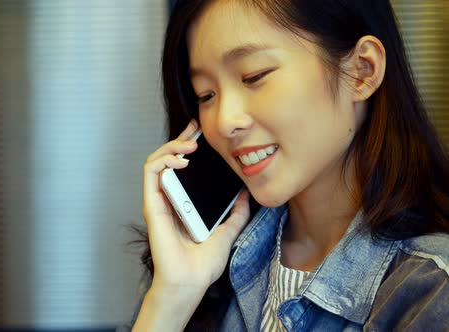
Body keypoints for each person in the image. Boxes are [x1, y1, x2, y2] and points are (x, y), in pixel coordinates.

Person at [125, 0, 449, 331]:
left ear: (361, 70)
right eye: (205, 95)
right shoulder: (202, 263)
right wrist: (172, 296)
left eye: (254, 76)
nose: (223, 122)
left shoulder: (431, 288)